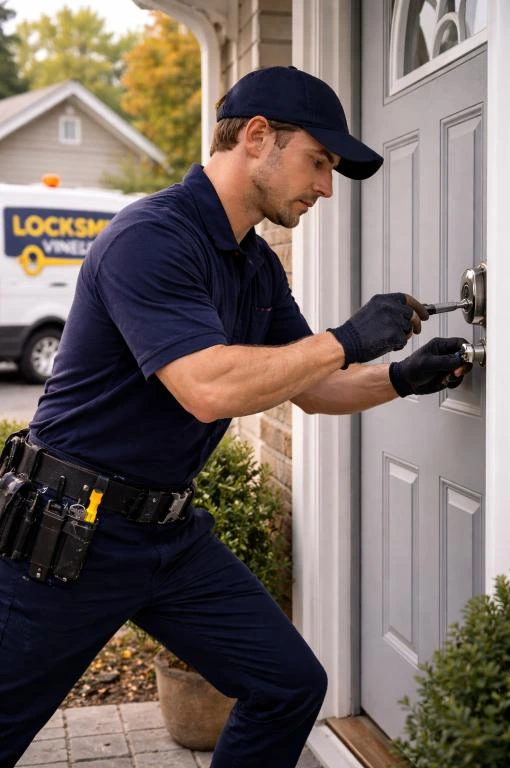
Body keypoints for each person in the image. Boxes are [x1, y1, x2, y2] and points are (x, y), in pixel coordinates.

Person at [0, 66, 469, 768]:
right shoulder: (150, 237)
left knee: (288, 685)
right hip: (71, 529)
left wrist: (401, 377)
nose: (325, 187)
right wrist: (346, 338)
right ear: (256, 137)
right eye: (318, 161)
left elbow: (313, 384)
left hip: (168, 535)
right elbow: (205, 387)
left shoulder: (255, 265)